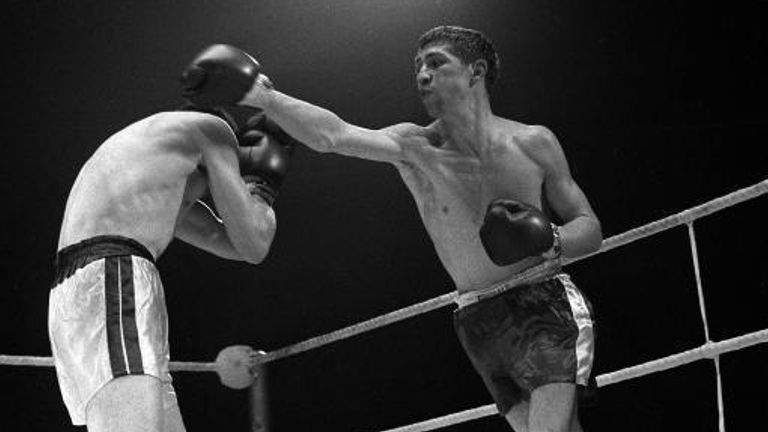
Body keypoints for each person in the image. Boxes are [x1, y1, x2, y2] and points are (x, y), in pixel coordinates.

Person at [183, 26, 602, 431]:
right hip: (475, 315)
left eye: (436, 63)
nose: (422, 74)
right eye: (418, 65)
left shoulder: (534, 142)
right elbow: (334, 136)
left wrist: (551, 238)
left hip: (541, 299)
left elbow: (591, 229)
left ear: (475, 71)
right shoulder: (414, 145)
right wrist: (264, 97)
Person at [48, 59, 295, 432]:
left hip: (83, 290)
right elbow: (255, 243)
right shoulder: (213, 132)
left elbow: (231, 243)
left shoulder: (148, 173)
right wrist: (259, 187)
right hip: (115, 278)